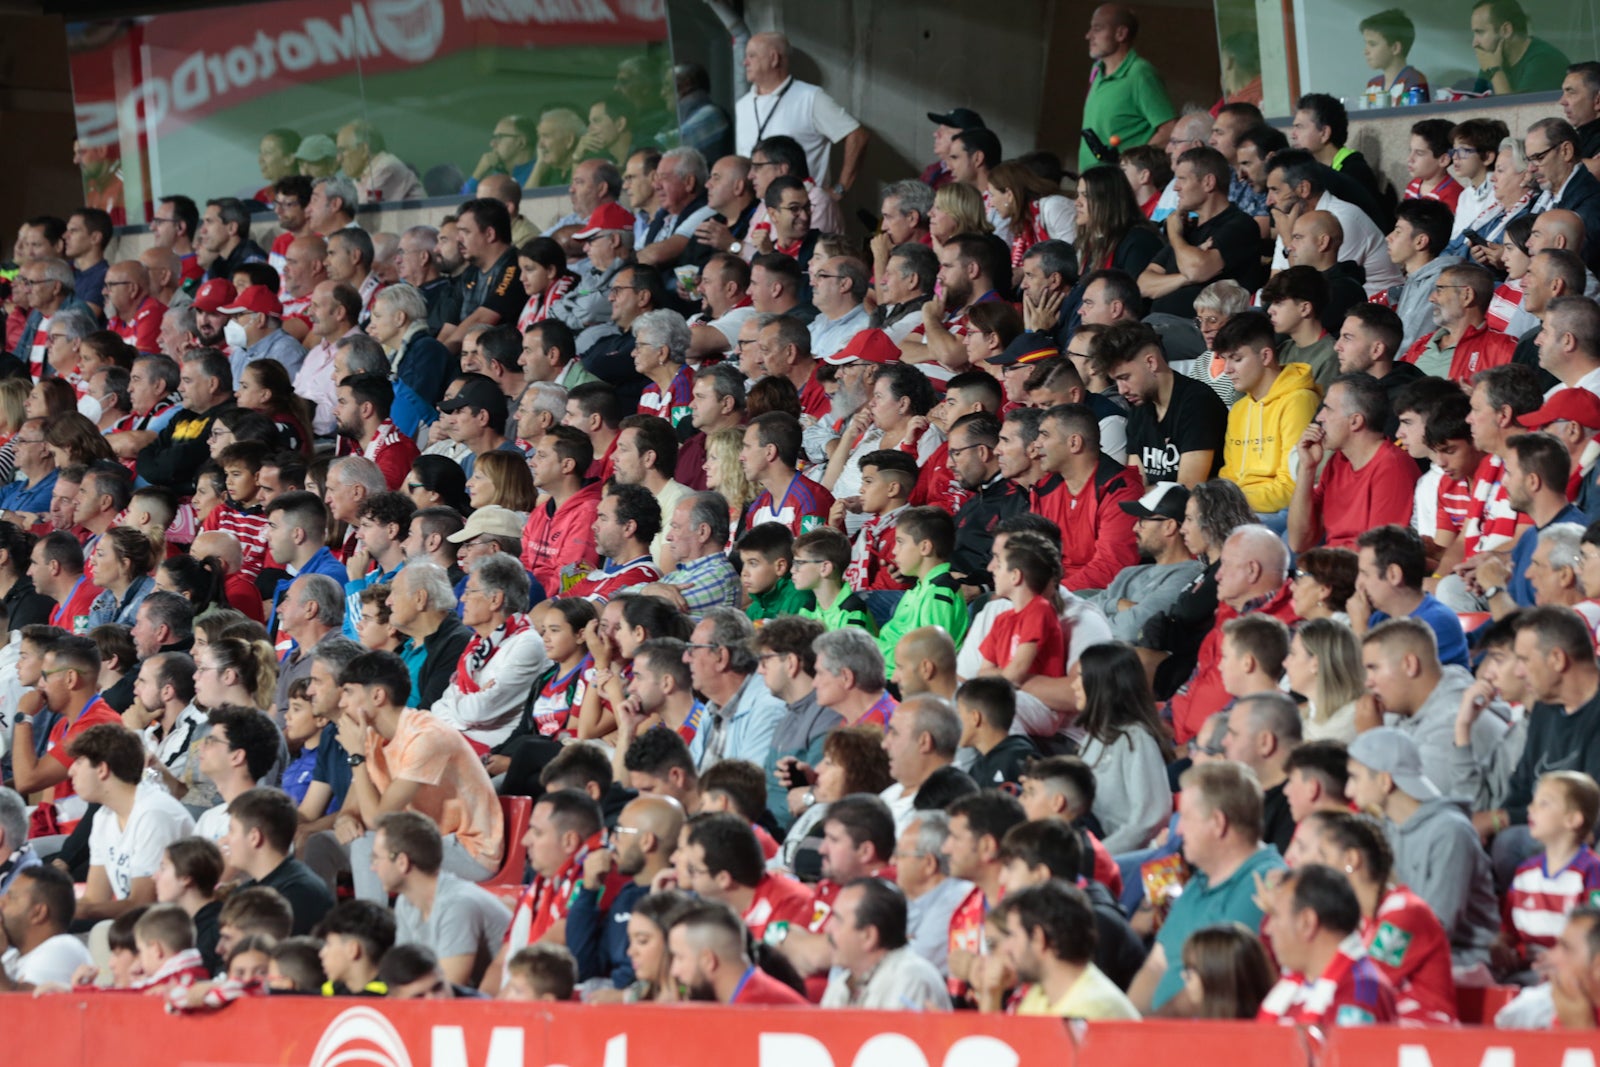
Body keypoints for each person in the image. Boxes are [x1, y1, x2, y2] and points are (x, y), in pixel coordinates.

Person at [319, 650, 504, 903]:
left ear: (377, 695)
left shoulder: (426, 737)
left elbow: (377, 821)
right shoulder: (372, 735)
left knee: (367, 844)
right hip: (414, 841)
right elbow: (353, 806)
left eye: (349, 693)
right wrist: (343, 820)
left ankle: (371, 933)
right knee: (321, 844)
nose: (341, 703)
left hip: (468, 849)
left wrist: (356, 757)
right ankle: (324, 933)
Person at [1128, 761, 1287, 1013]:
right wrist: (1126, 1027)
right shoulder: (1202, 878)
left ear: (1217, 823)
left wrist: (1145, 1036)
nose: (1177, 830)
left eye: (1186, 818)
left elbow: (1212, 989)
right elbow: (1156, 965)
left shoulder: (1263, 884)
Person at [1347, 727, 1499, 967]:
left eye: (1354, 778)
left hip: (1460, 962)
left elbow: (1434, 927)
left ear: (1385, 781)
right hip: (1408, 956)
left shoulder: (1451, 832)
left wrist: (1372, 966)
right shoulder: (1386, 829)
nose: (1348, 790)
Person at [371, 811, 510, 989]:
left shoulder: (457, 904)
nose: (372, 867)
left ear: (402, 862)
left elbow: (447, 990)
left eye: (376, 858)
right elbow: (403, 974)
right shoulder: (406, 903)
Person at [1288, 374, 1420, 553]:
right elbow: (1298, 542)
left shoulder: (1392, 466)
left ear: (1355, 421)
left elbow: (1378, 556)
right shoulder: (1337, 462)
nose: (1319, 417)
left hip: (1358, 574)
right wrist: (1307, 468)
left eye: (1328, 409)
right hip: (1333, 568)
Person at [1256, 863, 1399, 1026]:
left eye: (1275, 916)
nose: (1268, 929)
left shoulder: (1360, 991)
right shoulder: (1295, 984)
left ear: (1307, 923)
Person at [735, 33, 867, 202]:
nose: (744, 62)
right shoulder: (742, 105)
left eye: (751, 56)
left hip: (803, 212)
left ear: (774, 58)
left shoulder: (810, 98)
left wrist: (840, 189)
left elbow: (857, 136)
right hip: (757, 212)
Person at [1214, 311, 1321, 522]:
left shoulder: (1298, 401)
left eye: (1236, 359)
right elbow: (1230, 475)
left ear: (1265, 356)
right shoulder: (1239, 409)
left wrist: (1230, 502)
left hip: (1280, 513)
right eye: (1225, 360)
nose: (1227, 370)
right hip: (1241, 508)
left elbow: (1292, 486)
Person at [1137, 147, 1266, 317]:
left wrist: (1175, 235)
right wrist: (1185, 278)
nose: (1176, 187)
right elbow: (1144, 285)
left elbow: (1197, 270)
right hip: (1158, 328)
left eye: (1182, 179)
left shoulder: (1240, 226)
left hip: (1203, 332)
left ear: (1208, 182)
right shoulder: (1188, 230)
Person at [1099, 321, 1226, 486]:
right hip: (1152, 508)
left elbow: (1187, 490)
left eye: (1125, 378)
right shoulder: (1139, 409)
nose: (1122, 390)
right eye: (1116, 381)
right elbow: (1135, 484)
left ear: (1151, 362)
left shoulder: (1198, 403)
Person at [819, 877, 951, 1010]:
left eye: (838, 920)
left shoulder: (911, 979)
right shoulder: (841, 985)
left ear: (868, 936)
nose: (827, 928)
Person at [1078, 4, 1177, 172]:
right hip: (1091, 186)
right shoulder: (1097, 71)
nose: (1088, 36)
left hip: (1119, 188)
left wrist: (1130, 165)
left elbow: (1169, 130)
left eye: (1097, 29)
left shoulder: (1140, 73)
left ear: (1121, 33)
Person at [224, 787, 334, 936]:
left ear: (254, 837)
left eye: (231, 831)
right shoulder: (245, 891)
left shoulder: (299, 894)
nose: (225, 840)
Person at [0, 866, 92, 991]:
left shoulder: (61, 948)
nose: (1, 903)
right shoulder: (11, 956)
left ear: (38, 913)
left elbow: (21, 1006)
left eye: (11, 898)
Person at [1471, 0, 1571, 95]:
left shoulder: (1545, 60)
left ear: (1506, 30)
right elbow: (1472, 108)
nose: (1474, 43)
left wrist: (1495, 72)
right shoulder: (1493, 59)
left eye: (1480, 32)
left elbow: (1514, 111)